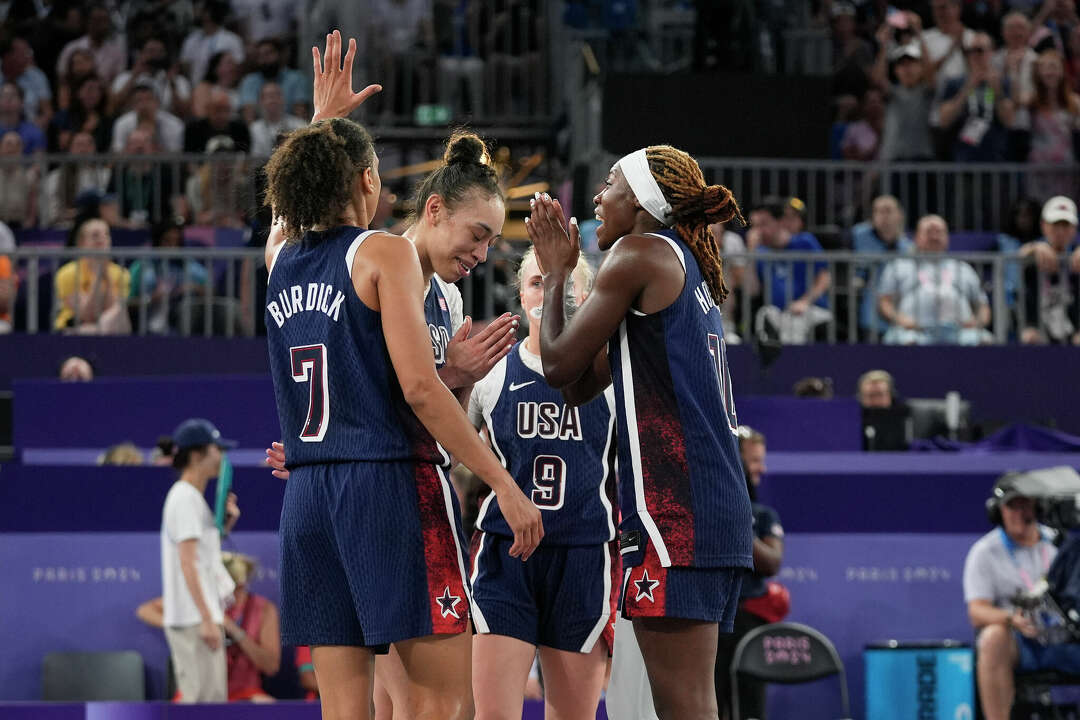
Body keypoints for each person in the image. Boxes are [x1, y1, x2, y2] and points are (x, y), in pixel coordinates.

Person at [261, 30, 541, 720]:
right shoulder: (385, 252)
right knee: (441, 703)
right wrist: (503, 482)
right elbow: (419, 389)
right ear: (366, 182)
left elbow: (285, 210)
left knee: (344, 709)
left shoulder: (278, 257)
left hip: (309, 498)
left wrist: (324, 123)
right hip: (388, 487)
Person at [525, 144, 754, 718]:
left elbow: (553, 363)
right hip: (710, 506)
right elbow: (577, 384)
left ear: (644, 201)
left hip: (677, 512)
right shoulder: (677, 264)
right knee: (694, 703)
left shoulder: (640, 253)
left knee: (684, 708)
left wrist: (555, 273)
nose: (598, 199)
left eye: (610, 186)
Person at [468, 248, 618, 720]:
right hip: (505, 553)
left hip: (581, 552)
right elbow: (445, 448)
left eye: (562, 282)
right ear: (520, 294)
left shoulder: (613, 376)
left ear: (587, 295)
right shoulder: (492, 374)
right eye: (536, 282)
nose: (547, 291)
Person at [963, 475, 1079, 720]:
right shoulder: (985, 552)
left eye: (1026, 505)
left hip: (1067, 638)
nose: (1020, 513)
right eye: (1013, 506)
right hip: (1023, 642)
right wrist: (1011, 619)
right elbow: (977, 612)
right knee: (993, 637)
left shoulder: (1061, 543)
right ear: (998, 512)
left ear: (1038, 508)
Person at [159, 418, 240, 703]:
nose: (222, 456)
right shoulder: (183, 498)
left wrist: (225, 526)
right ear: (197, 455)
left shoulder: (193, 498)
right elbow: (187, 563)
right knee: (200, 705)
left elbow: (203, 556)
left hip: (200, 616)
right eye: (217, 449)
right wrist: (206, 618)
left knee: (212, 702)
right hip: (193, 619)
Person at [137, 552, 281, 702]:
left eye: (236, 589)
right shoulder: (201, 602)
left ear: (243, 584)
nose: (230, 596)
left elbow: (271, 666)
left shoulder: (262, 609)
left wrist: (234, 630)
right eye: (225, 590)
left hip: (245, 691)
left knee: (269, 707)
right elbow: (145, 611)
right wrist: (192, 624)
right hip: (199, 690)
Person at [715, 427, 785, 720]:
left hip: (749, 620)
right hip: (712, 617)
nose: (762, 468)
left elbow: (771, 562)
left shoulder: (764, 515)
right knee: (712, 701)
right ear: (737, 460)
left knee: (752, 705)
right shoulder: (710, 508)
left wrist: (737, 517)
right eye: (755, 460)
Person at [877, 214, 992, 345]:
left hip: (959, 332)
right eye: (929, 232)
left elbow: (983, 306)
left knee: (984, 340)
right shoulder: (899, 266)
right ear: (916, 237)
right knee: (903, 341)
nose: (934, 236)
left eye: (939, 232)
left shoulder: (963, 268)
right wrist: (900, 320)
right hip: (914, 330)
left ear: (947, 238)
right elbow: (884, 302)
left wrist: (977, 322)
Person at [1019, 195, 1080, 345]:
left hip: (1075, 331)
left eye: (1065, 225)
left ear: (1074, 228)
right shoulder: (1034, 253)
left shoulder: (1076, 254)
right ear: (1043, 225)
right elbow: (1017, 256)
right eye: (1055, 224)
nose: (1060, 231)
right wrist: (1033, 248)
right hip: (1037, 328)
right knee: (1029, 338)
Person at [53, 216, 130, 333]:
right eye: (95, 235)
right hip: (73, 327)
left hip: (109, 327)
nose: (102, 239)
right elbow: (87, 315)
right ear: (81, 243)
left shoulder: (122, 273)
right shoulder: (67, 273)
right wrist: (99, 274)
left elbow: (115, 311)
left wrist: (106, 276)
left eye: (106, 235)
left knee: (118, 317)